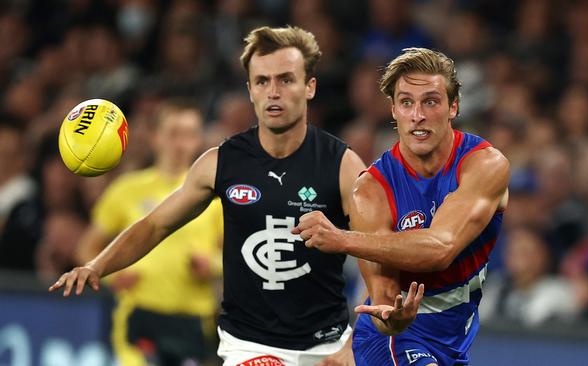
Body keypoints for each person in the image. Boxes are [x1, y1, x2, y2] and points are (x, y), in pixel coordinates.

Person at [50, 25, 366, 366]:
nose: (273, 92)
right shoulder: (220, 163)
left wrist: (354, 344)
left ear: (310, 87)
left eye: (286, 79)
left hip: (326, 347)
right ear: (250, 90)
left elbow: (377, 261)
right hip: (248, 346)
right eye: (262, 81)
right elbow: (155, 225)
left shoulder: (343, 165)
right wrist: (97, 266)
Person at [293, 48, 510, 366]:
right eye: (406, 102)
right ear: (393, 110)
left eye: (430, 101)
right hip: (393, 339)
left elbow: (441, 248)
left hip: (451, 341)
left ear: (453, 107)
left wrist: (341, 239)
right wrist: (393, 318)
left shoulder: (484, 165)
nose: (417, 115)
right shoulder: (371, 191)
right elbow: (382, 306)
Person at [75, 99, 223, 366]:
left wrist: (212, 264)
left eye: (189, 135)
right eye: (173, 134)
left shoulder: (214, 196)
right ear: (155, 137)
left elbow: (238, 255)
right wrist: (113, 276)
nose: (181, 144)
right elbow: (87, 247)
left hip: (191, 319)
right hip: (139, 313)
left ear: (199, 140)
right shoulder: (127, 189)